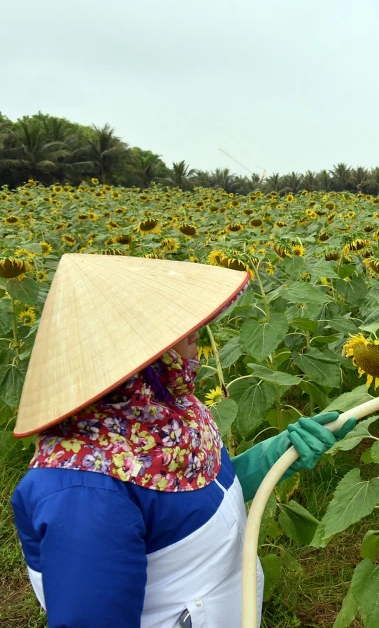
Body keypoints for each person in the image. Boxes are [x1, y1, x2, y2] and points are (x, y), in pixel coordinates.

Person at [10, 254, 356, 628]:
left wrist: (281, 453)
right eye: (172, 327)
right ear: (130, 354)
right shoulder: (83, 490)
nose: (196, 332)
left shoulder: (165, 414)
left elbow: (205, 494)